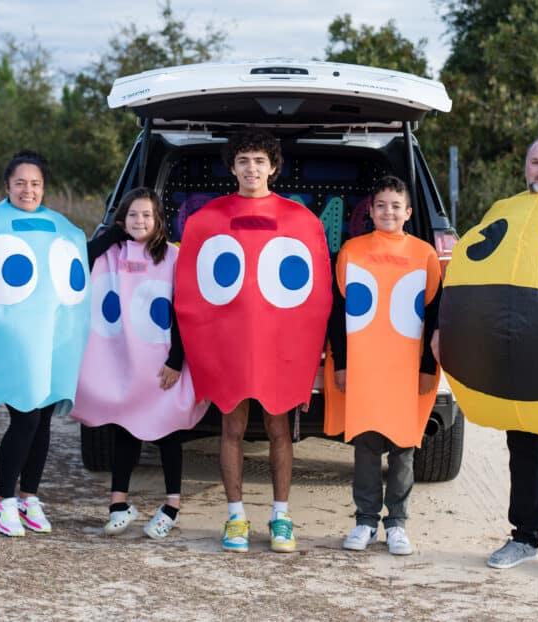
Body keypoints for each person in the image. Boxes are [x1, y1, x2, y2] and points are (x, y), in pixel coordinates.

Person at [433, 137, 538, 581]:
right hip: (516, 360)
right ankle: (524, 536)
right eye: (536, 162)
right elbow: (467, 274)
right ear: (526, 168)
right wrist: (447, 330)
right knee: (521, 450)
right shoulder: (506, 212)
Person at [174, 129, 332, 553]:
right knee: (233, 427)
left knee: (280, 428)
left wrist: (306, 355)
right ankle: (236, 518)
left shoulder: (301, 220)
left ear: (273, 167)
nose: (251, 169)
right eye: (243, 160)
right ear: (232, 167)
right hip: (229, 347)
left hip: (278, 347)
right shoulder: (207, 218)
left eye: (260, 161)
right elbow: (188, 290)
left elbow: (317, 295)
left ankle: (281, 516)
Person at [0, 150, 90, 537]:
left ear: (45, 187)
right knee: (25, 416)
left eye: (36, 184)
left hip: (51, 340)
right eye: (20, 183)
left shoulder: (61, 227)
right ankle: (3, 500)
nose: (28, 190)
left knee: (42, 419)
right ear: (7, 186)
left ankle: (29, 497)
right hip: (14, 344)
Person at [72, 187, 206, 539]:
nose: (140, 221)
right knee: (125, 429)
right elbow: (79, 263)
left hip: (163, 363)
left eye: (147, 215)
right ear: (123, 219)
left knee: (169, 434)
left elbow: (182, 310)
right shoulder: (112, 252)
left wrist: (177, 359)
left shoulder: (174, 258)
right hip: (125, 361)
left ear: (159, 220)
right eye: (132, 215)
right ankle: (119, 504)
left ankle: (172, 506)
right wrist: (112, 234)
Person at [327, 175, 441, 554]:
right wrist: (341, 364)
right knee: (366, 444)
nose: (388, 212)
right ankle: (365, 522)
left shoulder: (424, 254)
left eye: (396, 205)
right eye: (381, 206)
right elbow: (338, 313)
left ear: (408, 212)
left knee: (404, 446)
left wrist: (428, 367)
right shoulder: (352, 251)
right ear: (370, 211)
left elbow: (435, 315)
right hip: (364, 368)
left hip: (406, 368)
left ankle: (397, 524)